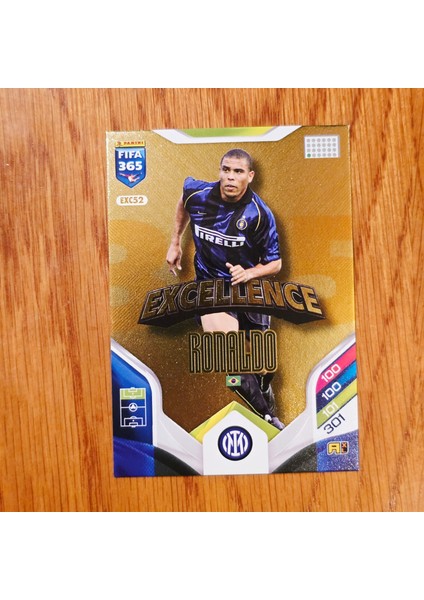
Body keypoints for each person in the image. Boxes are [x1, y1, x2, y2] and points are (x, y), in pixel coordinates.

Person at [166, 148, 285, 430]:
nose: (230, 177)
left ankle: (264, 386)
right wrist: (175, 242)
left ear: (250, 176)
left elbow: (275, 263)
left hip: (248, 290)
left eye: (238, 172)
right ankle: (269, 419)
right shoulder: (198, 194)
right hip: (211, 288)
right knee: (230, 354)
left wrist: (250, 272)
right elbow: (184, 201)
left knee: (262, 366)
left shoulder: (259, 214)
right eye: (226, 170)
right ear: (220, 171)